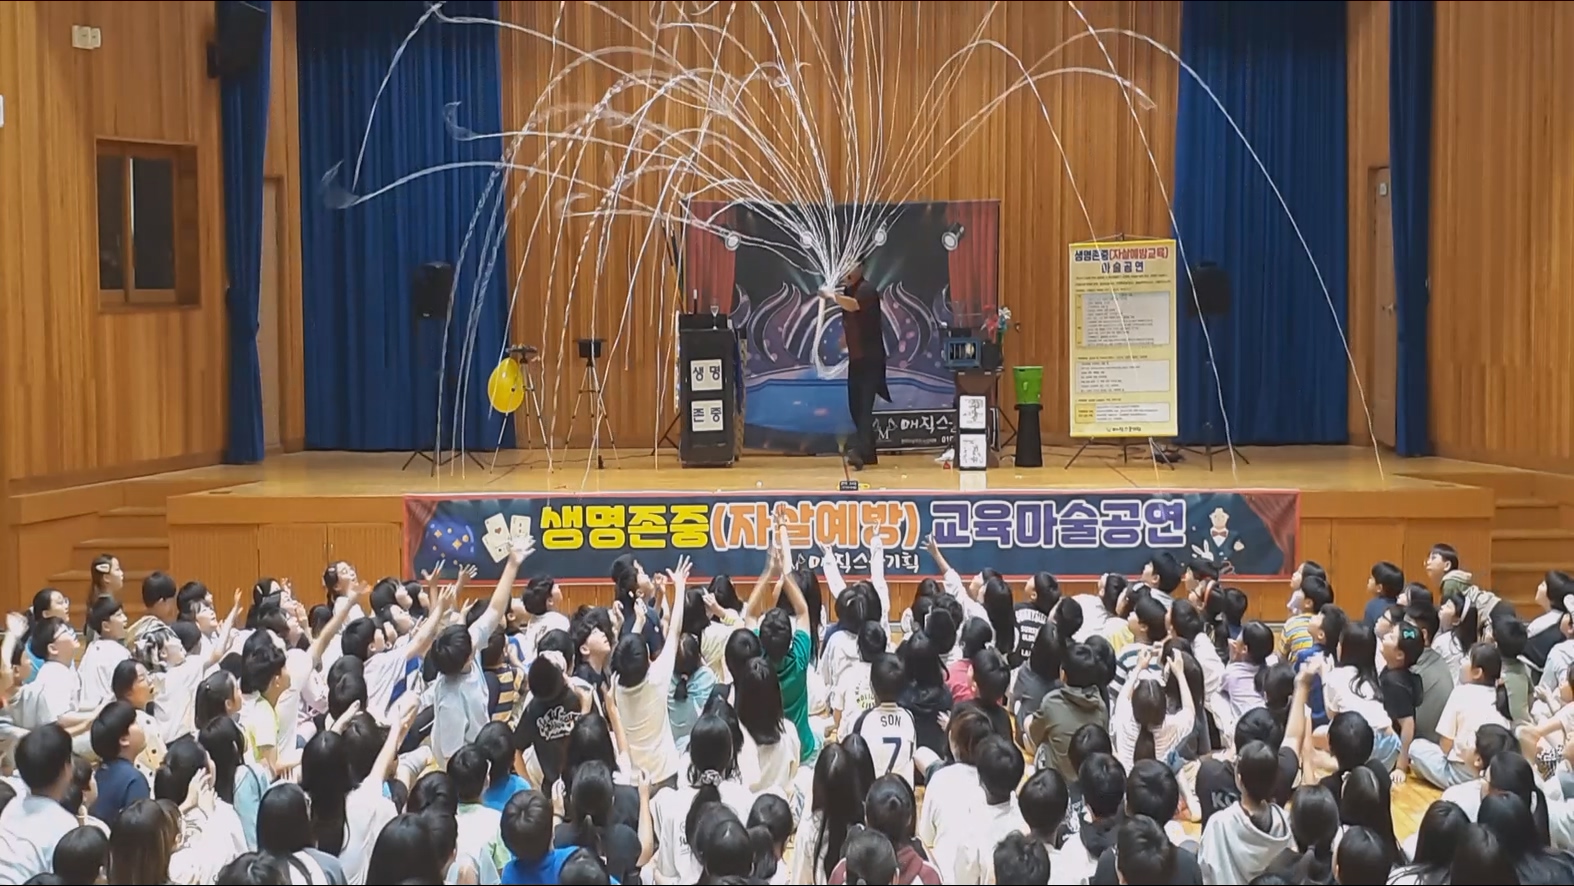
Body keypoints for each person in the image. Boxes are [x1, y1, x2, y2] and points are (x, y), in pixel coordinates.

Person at [821, 258, 888, 470]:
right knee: (855, 405)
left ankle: (860, 451)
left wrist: (832, 296)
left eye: (850, 266)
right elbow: (853, 317)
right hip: (857, 358)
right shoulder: (849, 291)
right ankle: (869, 452)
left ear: (860, 268)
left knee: (864, 407)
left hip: (871, 358)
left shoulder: (866, 290)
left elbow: (853, 306)